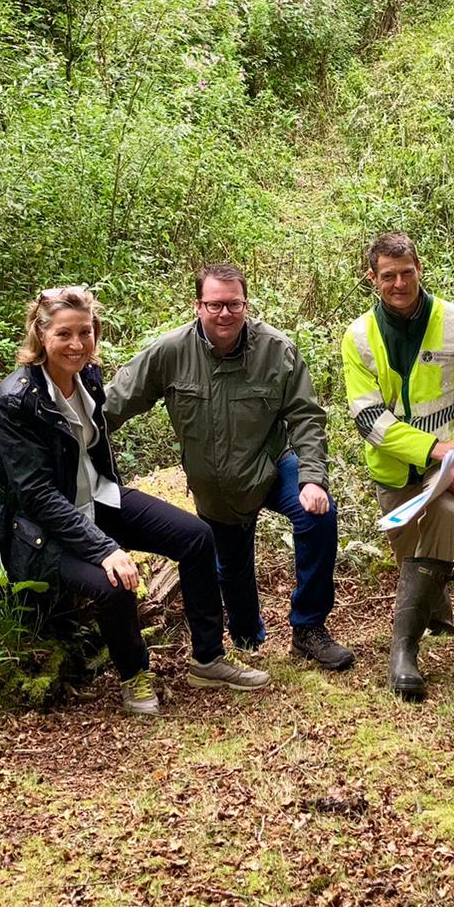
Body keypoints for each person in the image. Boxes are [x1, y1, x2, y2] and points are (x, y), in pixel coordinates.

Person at [0, 287, 270, 714]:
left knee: (197, 537)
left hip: (98, 499)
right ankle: (134, 674)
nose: (76, 344)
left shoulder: (87, 376)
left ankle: (208, 659)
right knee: (115, 582)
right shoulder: (15, 401)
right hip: (36, 531)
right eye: (64, 334)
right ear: (41, 334)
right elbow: (34, 495)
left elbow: (93, 447)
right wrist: (105, 548)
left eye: (85, 332)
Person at [103, 264, 353, 672]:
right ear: (198, 306)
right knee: (232, 570)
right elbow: (113, 406)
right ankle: (247, 637)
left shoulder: (277, 350)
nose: (225, 313)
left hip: (270, 467)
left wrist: (312, 479)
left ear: (245, 304)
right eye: (215, 304)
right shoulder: (170, 351)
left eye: (233, 304)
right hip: (214, 484)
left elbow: (307, 417)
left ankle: (309, 628)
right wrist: (66, 446)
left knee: (317, 515)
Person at [341, 233, 454, 702]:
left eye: (406, 271)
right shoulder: (357, 336)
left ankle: (403, 652)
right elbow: (368, 417)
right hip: (392, 469)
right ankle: (436, 608)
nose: (398, 282)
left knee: (446, 516)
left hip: (448, 464)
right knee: (409, 548)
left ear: (419, 267)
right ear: (372, 279)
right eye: (387, 275)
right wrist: (433, 447)